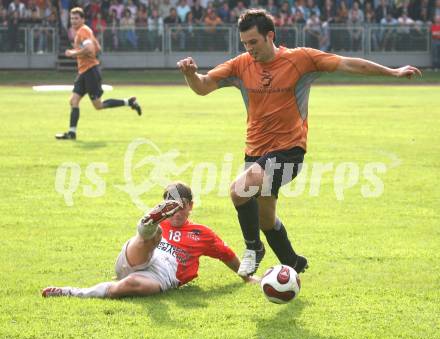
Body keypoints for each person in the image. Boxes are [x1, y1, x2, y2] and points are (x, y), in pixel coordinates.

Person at [177, 9, 421, 278]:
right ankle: (292, 262)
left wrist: (393, 72)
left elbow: (349, 64)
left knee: (238, 190)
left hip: (289, 152)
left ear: (270, 36)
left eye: (254, 42)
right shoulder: (240, 65)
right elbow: (202, 86)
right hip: (255, 152)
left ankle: (253, 249)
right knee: (265, 219)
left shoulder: (300, 60)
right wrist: (190, 74)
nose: (249, 49)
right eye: (245, 43)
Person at [42, 182, 258, 299]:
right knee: (152, 237)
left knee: (128, 284)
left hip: (164, 274)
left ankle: (71, 292)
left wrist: (247, 278)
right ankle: (147, 226)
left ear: (190, 206)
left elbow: (227, 255)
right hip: (142, 254)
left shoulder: (202, 233)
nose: (176, 212)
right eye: (170, 207)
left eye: (180, 206)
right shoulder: (162, 227)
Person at [55, 7, 142, 141]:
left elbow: (90, 49)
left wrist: (74, 53)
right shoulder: (86, 31)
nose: (73, 21)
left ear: (83, 19)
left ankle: (128, 102)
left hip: (90, 71)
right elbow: (97, 48)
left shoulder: (83, 31)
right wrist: (83, 53)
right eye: (72, 18)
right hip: (84, 71)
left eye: (76, 18)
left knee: (98, 105)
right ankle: (71, 133)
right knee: (73, 101)